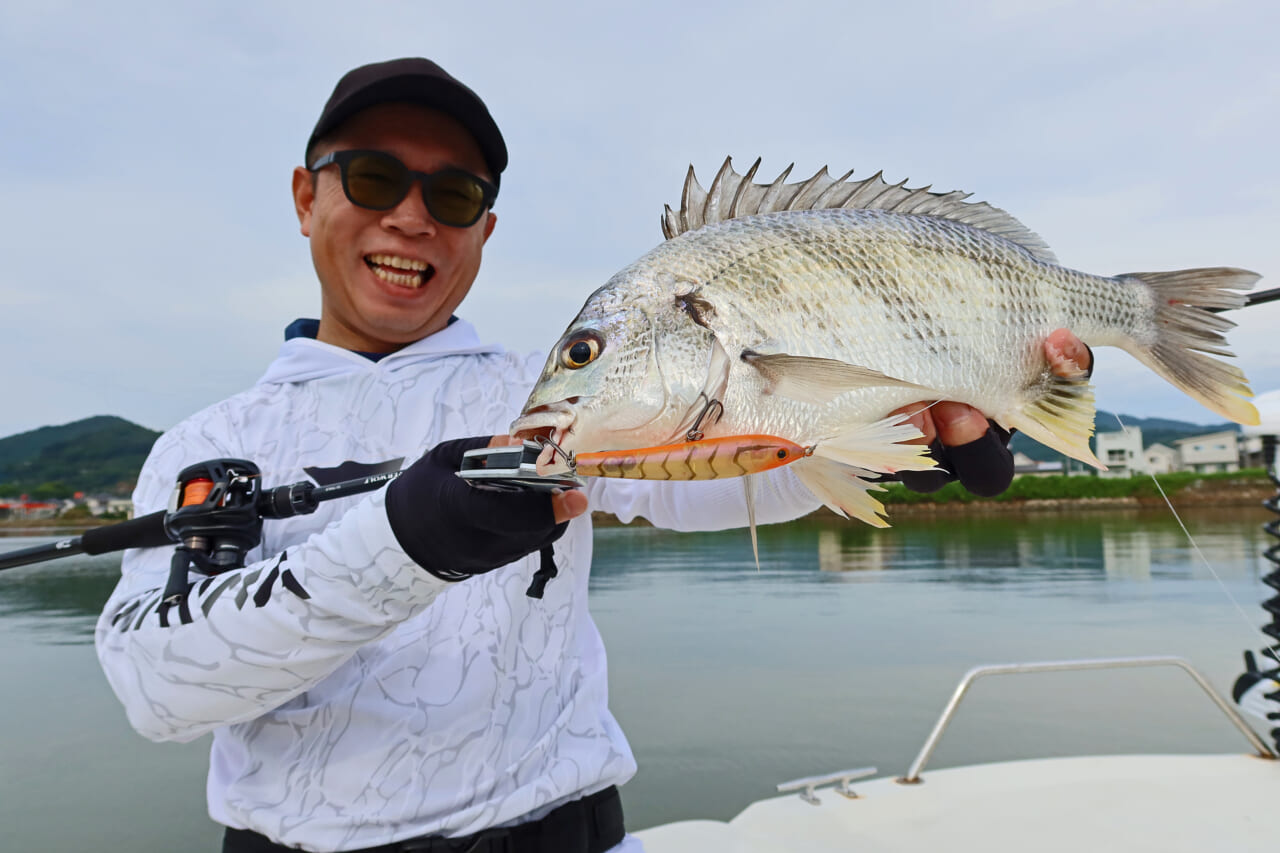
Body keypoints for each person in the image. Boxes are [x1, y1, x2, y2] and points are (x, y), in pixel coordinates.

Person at [94, 58, 1093, 853]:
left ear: (483, 226)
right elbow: (160, 689)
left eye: (452, 192)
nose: (410, 215)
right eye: (372, 178)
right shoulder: (213, 442)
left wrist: (914, 441)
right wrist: (404, 543)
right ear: (306, 196)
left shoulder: (537, 399)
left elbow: (724, 480)